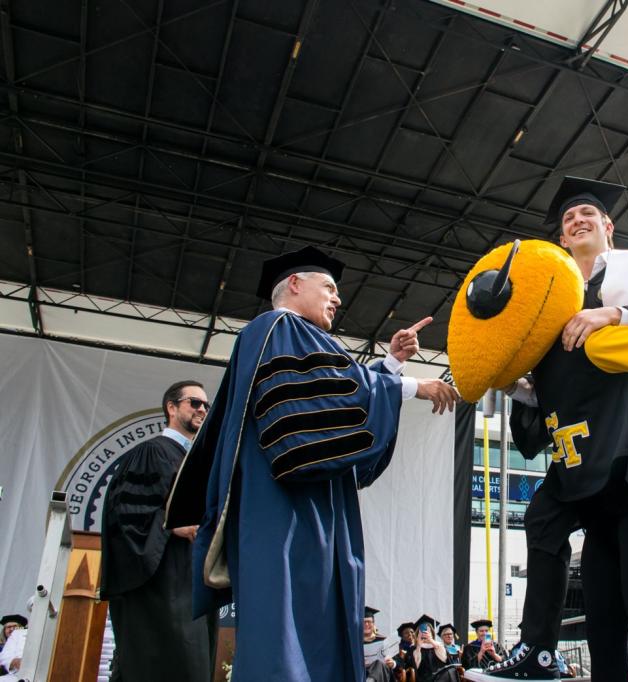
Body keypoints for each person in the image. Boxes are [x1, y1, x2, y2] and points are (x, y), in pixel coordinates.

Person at [164, 246, 459, 682]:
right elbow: (328, 392)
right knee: (288, 630)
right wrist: (412, 386)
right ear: (296, 284)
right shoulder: (278, 326)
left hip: (306, 507)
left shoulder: (288, 338)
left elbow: (329, 394)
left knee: (309, 624)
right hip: (286, 510)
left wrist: (392, 364)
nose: (338, 299)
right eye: (330, 287)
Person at [473, 177, 628, 680]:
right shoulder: (545, 306)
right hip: (591, 476)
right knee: (600, 618)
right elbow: (536, 436)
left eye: (587, 214)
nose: (577, 219)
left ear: (609, 226)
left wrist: (616, 314)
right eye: (568, 218)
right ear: (560, 240)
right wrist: (517, 385)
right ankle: (538, 647)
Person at [99, 381, 218, 682]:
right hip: (160, 584)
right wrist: (167, 521)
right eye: (194, 402)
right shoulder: (152, 452)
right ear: (172, 407)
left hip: (191, 582)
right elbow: (123, 514)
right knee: (167, 665)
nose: (202, 409)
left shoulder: (198, 462)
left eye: (206, 404)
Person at [399, 615, 457, 681]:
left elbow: (447, 662)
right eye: (422, 633)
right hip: (425, 679)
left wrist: (432, 642)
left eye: (428, 632)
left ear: (432, 634)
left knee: (450, 671)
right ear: (417, 635)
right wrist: (419, 647)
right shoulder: (413, 649)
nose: (425, 634)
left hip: (442, 676)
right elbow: (413, 669)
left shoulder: (439, 646)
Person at [364, 606, 397, 682]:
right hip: (363, 673)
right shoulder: (356, 643)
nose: (366, 624)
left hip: (383, 675)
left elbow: (398, 661)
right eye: (363, 622)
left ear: (373, 624)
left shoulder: (384, 640)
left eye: (369, 622)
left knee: (379, 663)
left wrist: (393, 663)